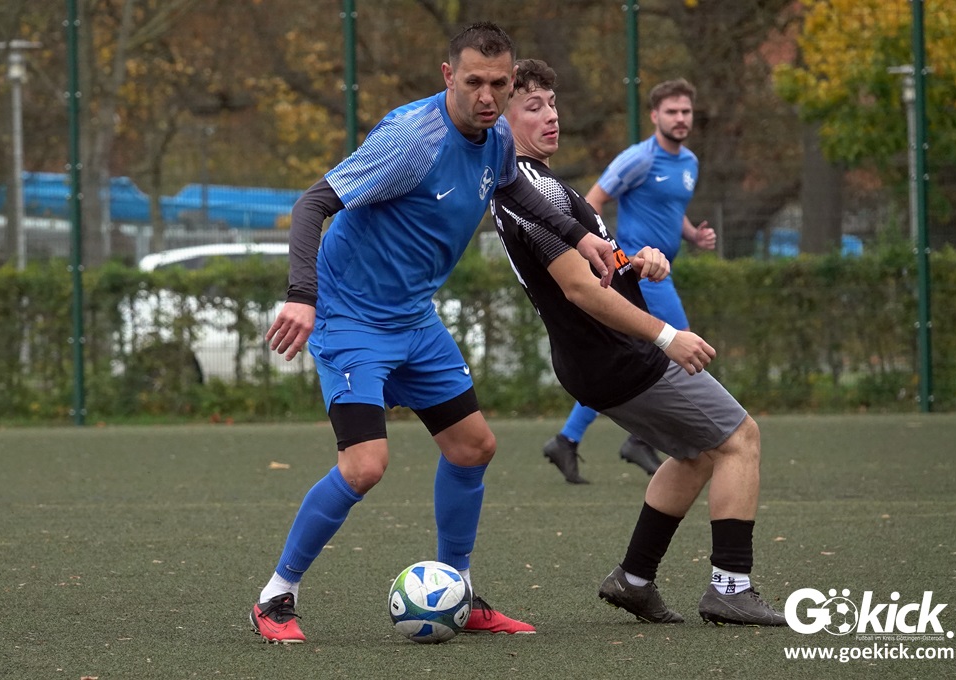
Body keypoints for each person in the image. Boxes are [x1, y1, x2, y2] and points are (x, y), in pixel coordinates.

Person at [251, 22, 617, 644]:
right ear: (449, 76)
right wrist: (302, 298)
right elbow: (313, 204)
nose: (486, 95)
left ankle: (458, 593)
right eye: (473, 81)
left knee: (473, 447)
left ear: (511, 82)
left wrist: (580, 236)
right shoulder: (412, 140)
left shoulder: (497, 138)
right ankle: (276, 596)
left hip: (414, 321)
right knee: (365, 466)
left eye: (498, 84)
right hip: (351, 319)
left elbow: (513, 190)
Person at [492, 58, 785, 626]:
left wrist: (634, 260)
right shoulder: (530, 188)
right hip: (617, 353)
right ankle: (731, 586)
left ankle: (633, 580)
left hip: (597, 358)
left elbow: (593, 268)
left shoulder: (539, 185)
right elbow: (578, 289)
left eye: (553, 104)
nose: (551, 116)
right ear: (503, 122)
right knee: (739, 437)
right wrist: (666, 335)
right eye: (533, 107)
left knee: (696, 454)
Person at [542, 77, 717, 484]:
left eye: (686, 111)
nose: (680, 118)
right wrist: (608, 256)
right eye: (671, 112)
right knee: (685, 347)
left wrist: (693, 235)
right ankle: (651, 438)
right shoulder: (638, 159)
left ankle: (570, 439)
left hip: (661, 271)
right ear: (655, 116)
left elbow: (672, 209)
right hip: (637, 272)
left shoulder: (690, 162)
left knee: (631, 357)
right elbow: (591, 202)